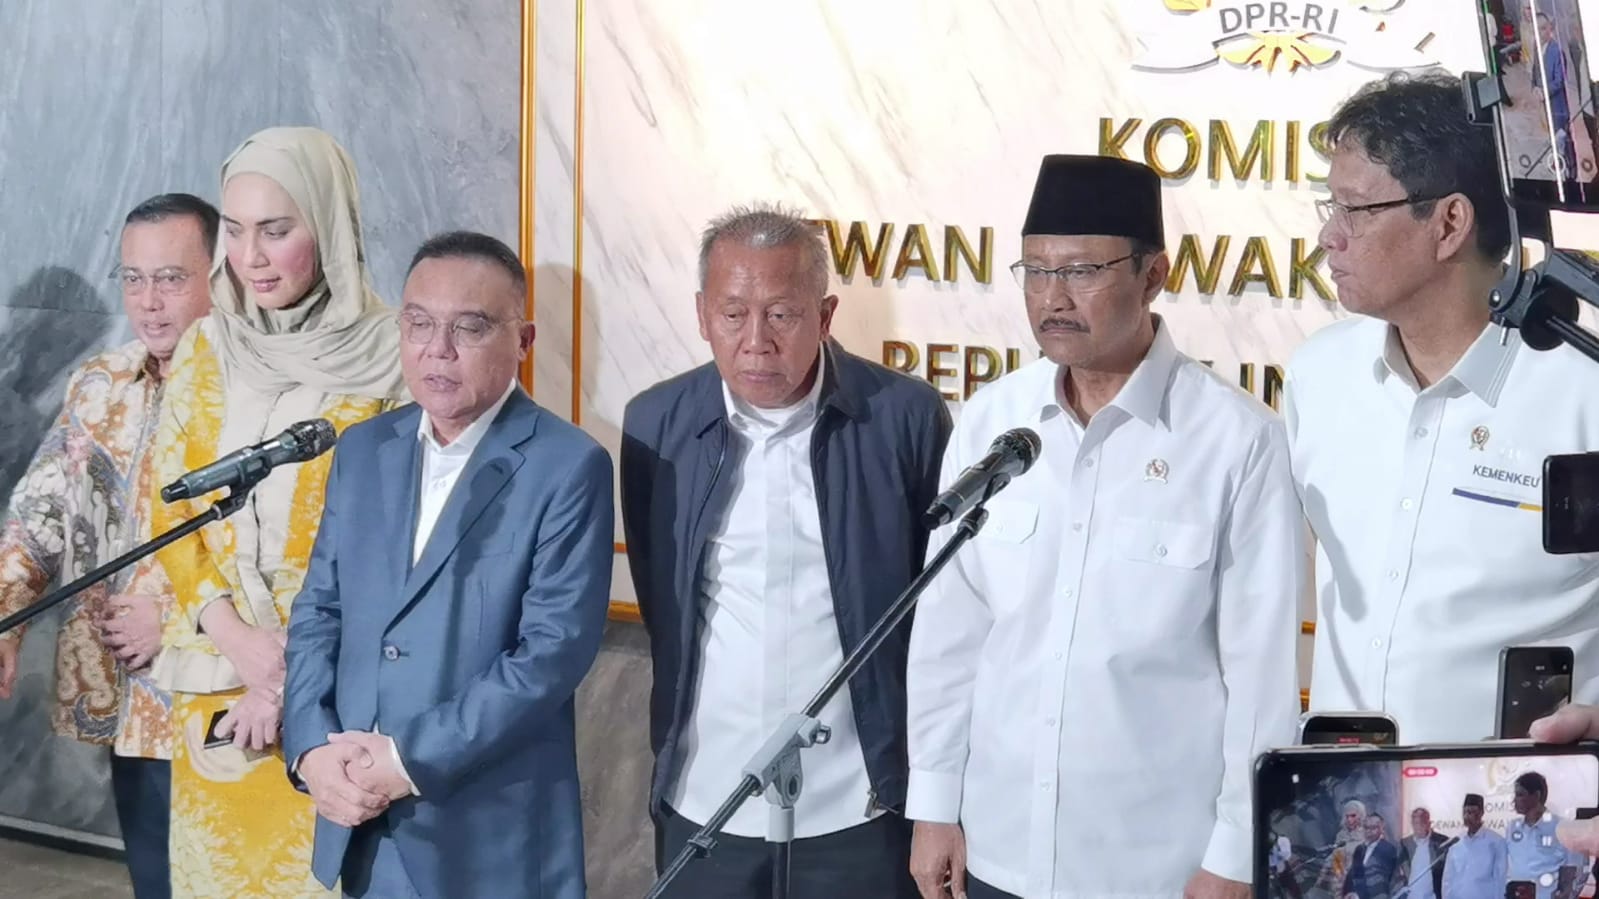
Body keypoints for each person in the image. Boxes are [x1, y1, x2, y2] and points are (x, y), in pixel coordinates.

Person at [903, 154, 1304, 899]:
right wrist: (933, 803)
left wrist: (1236, 852)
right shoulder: (992, 421)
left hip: (1153, 865)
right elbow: (949, 634)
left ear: (1153, 275)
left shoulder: (1236, 439)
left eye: (1082, 271)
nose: (1052, 298)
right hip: (997, 846)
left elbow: (1260, 675)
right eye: (1035, 271)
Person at [620, 203, 950, 898]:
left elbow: (939, 615)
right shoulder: (656, 423)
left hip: (859, 801)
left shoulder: (904, 417)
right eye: (732, 314)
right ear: (702, 315)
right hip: (706, 795)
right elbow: (661, 596)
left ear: (825, 316)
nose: (756, 342)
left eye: (781, 314)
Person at [284, 231, 612, 898]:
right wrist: (312, 746)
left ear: (523, 340)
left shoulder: (567, 465)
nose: (438, 349)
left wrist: (406, 758)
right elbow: (320, 607)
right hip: (362, 818)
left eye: (469, 327)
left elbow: (551, 652)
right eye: (419, 323)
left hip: (487, 833)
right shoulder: (364, 448)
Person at [1288, 69, 1599, 744]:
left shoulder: (1584, 390)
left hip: (1524, 797)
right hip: (1345, 794)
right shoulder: (1319, 375)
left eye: (1354, 210)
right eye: (1329, 208)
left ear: (1449, 222)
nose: (1328, 238)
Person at [140, 126, 406, 896]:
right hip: (216, 689)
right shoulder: (205, 347)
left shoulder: (393, 358)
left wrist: (285, 678)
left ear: (328, 226)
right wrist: (239, 642)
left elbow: (392, 543)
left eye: (276, 230)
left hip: (335, 703)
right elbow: (172, 512)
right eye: (233, 230)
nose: (249, 256)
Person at [0, 193, 217, 898]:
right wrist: (6, 617)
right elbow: (40, 512)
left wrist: (180, 619)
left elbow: (293, 552)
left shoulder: (262, 393)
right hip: (131, 702)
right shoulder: (101, 384)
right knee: (157, 883)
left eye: (171, 279)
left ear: (220, 275)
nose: (148, 303)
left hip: (227, 694)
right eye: (133, 278)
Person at [1505, 772, 1581, 899]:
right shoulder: (1512, 827)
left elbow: (1574, 869)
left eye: (1520, 795)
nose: (1514, 801)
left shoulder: (1562, 828)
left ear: (1536, 796)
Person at [1441, 793, 1508, 899]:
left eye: (1471, 812)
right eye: (1464, 812)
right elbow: (1448, 879)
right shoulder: (1456, 842)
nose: (1466, 816)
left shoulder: (1496, 842)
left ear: (1481, 813)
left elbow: (1500, 879)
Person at [1342, 813, 1400, 899]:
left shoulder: (1387, 849)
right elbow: (1352, 875)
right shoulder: (1360, 849)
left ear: (1381, 829)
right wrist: (1350, 892)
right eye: (1366, 827)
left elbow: (1381, 880)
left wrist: (1359, 895)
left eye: (1373, 828)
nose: (1368, 831)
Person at [1398, 807, 1449, 899]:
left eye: (1421, 823)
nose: (1417, 827)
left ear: (1428, 823)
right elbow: (1402, 871)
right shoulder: (1405, 844)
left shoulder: (1441, 842)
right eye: (1415, 823)